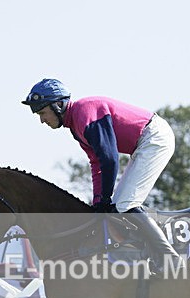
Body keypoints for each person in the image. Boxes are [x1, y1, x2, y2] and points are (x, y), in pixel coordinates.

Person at [21, 78, 180, 276]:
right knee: (118, 206)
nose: (42, 120)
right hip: (144, 142)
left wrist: (105, 198)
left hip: (154, 138)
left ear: (58, 105)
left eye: (43, 113)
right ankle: (148, 252)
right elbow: (97, 164)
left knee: (124, 204)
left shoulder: (84, 113)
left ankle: (169, 257)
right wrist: (98, 202)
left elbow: (110, 159)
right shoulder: (76, 126)